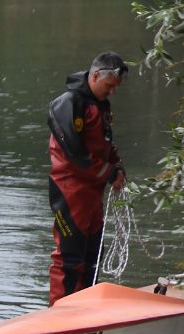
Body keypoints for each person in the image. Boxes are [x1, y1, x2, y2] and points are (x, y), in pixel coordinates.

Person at [46, 52, 128, 305]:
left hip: (92, 192)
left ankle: (84, 310)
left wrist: (117, 165)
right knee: (70, 258)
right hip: (70, 190)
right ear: (94, 76)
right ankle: (60, 315)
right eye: (109, 86)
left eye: (115, 88)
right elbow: (75, 154)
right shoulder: (68, 103)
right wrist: (109, 172)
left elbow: (104, 143)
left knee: (92, 255)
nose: (112, 92)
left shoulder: (101, 104)